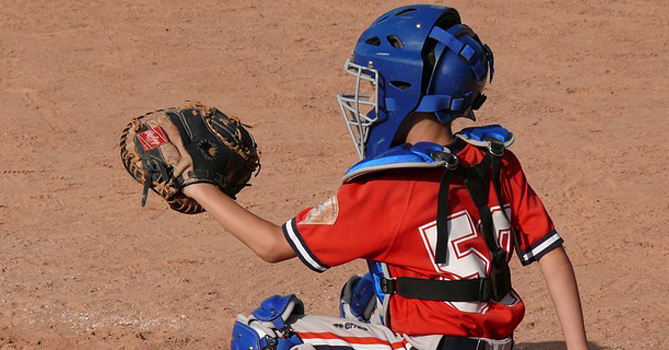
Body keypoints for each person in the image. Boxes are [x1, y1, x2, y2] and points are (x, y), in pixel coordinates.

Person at [181, 4, 589, 350]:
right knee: (362, 296)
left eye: (374, 84)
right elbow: (553, 258)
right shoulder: (497, 159)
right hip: (495, 341)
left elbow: (271, 245)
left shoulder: (389, 188)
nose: (368, 98)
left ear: (405, 90)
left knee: (267, 334)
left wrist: (199, 186)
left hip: (430, 344)